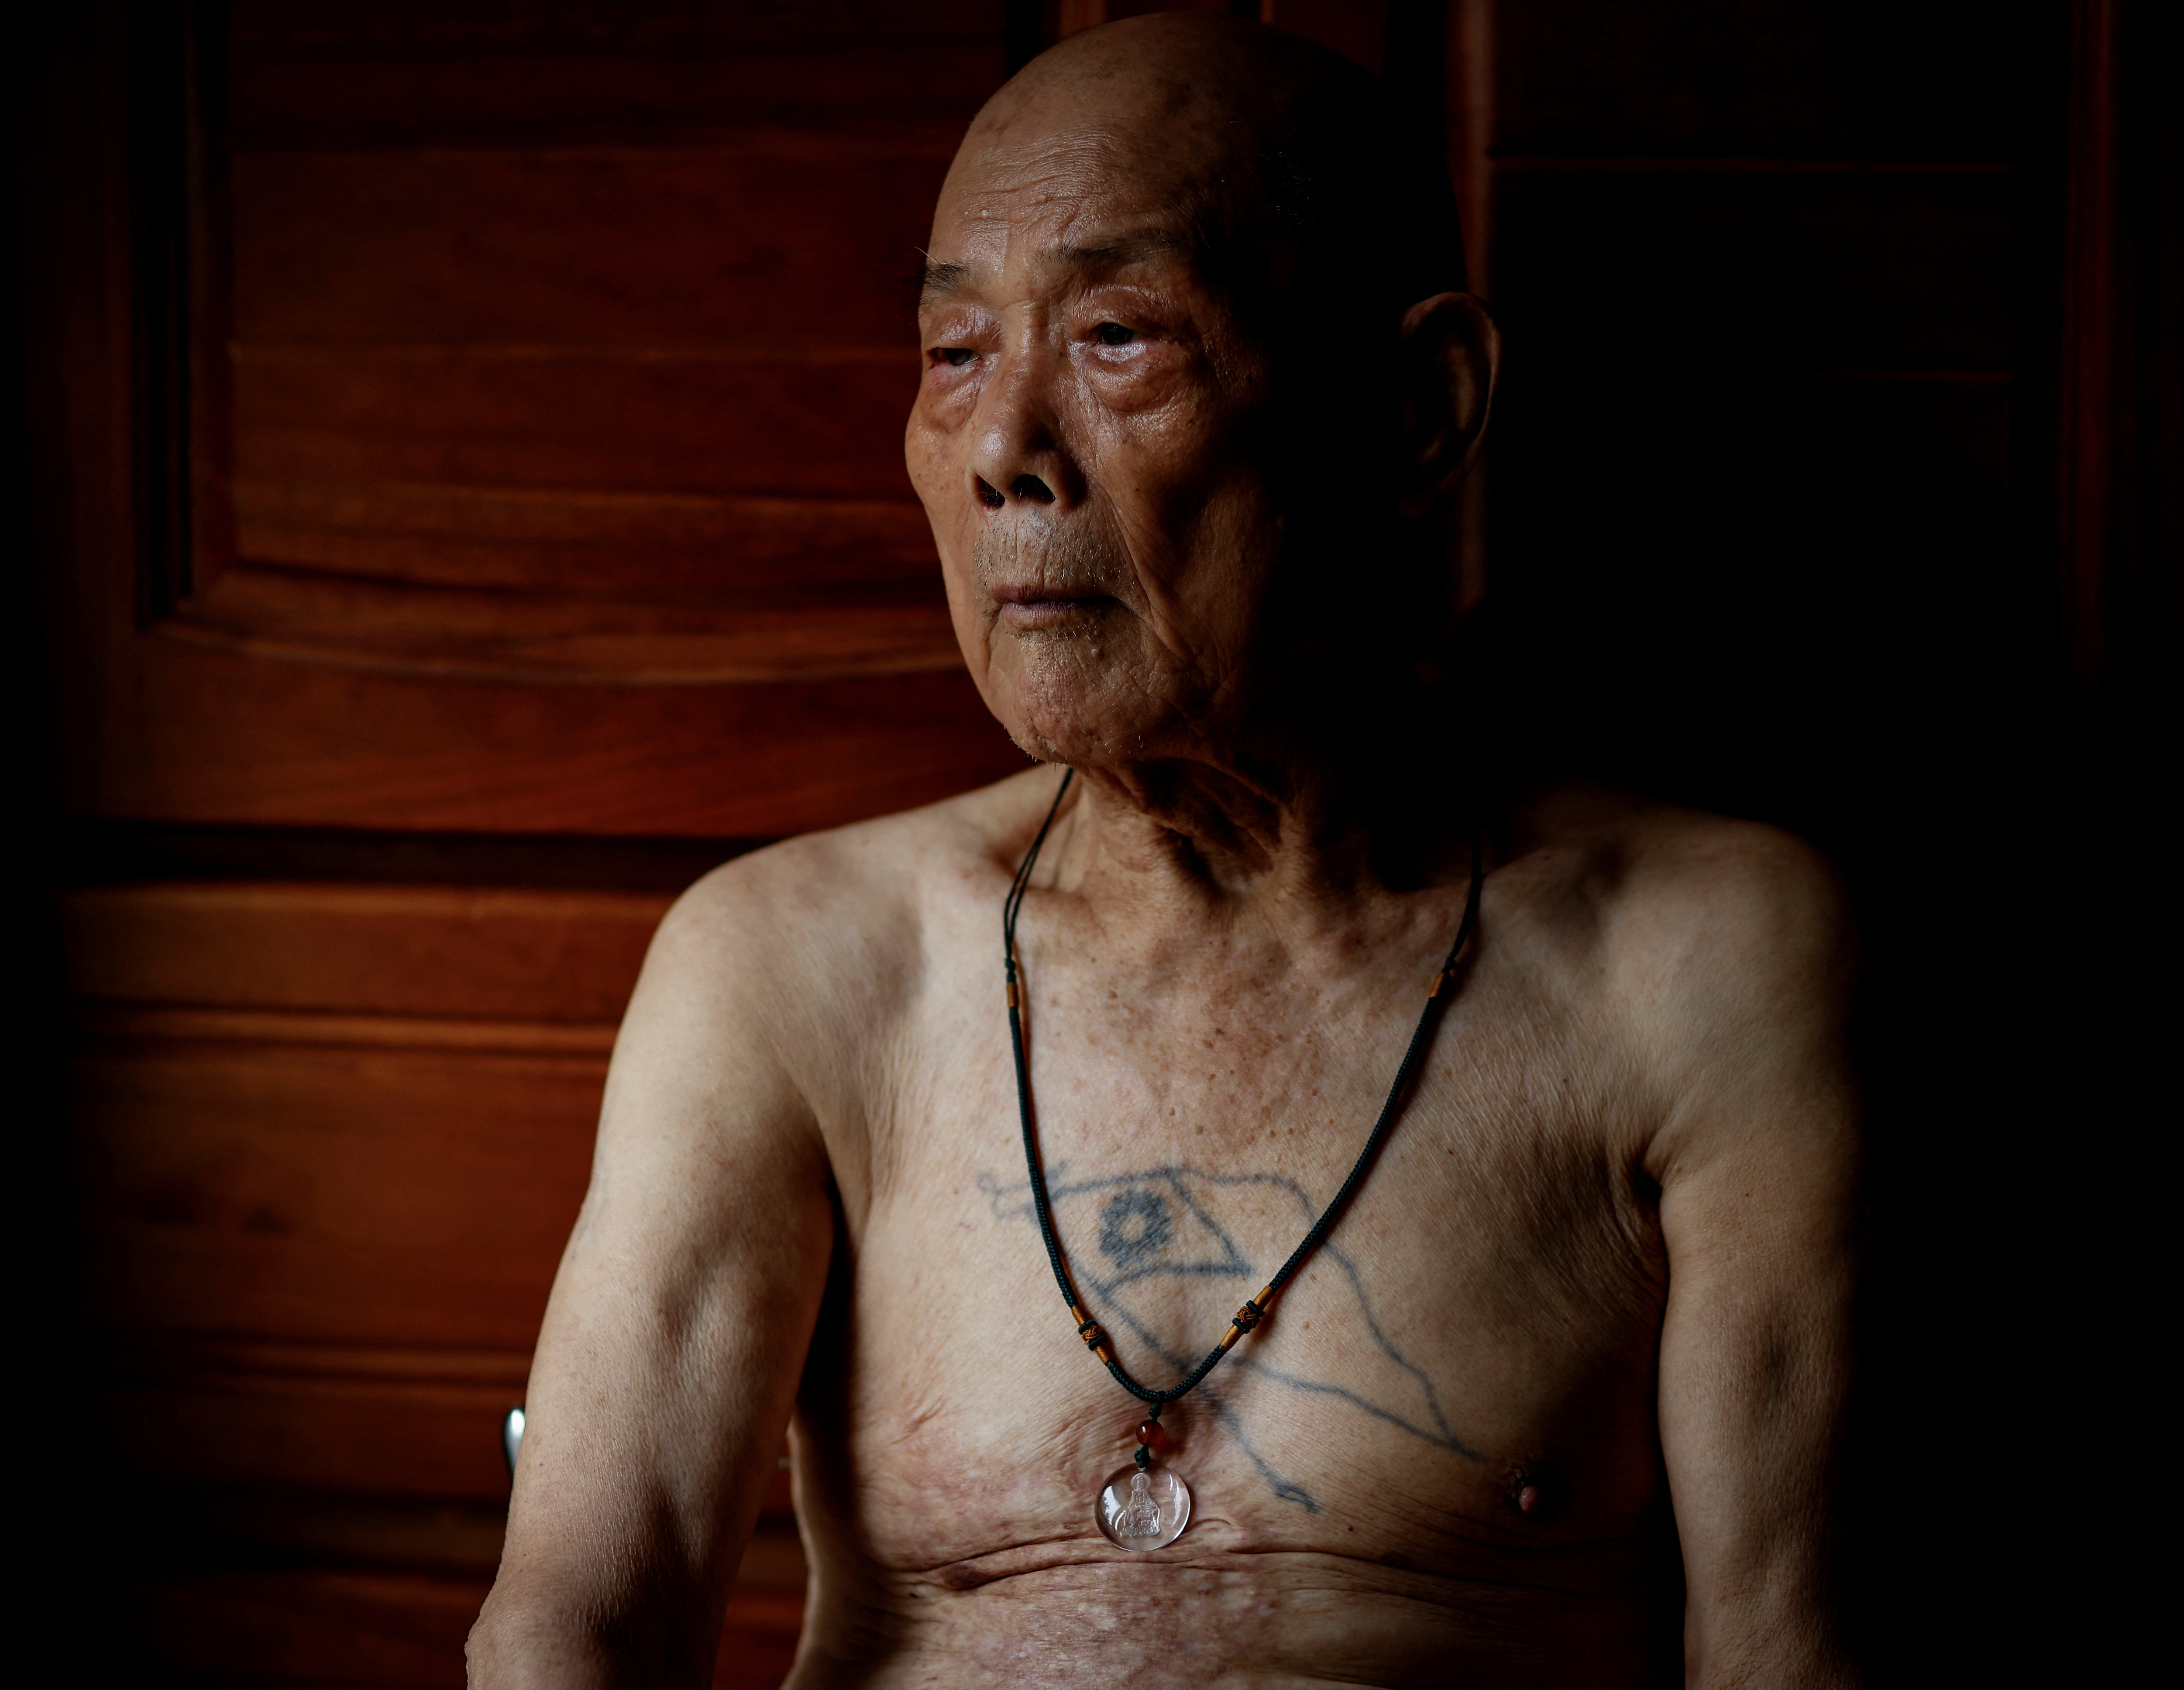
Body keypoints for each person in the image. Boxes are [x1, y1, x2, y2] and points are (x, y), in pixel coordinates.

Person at [469, 14, 1857, 1687]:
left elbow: (1793, 1652)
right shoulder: (792, 962)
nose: (1003, 449)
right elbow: (578, 1626)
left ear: (1419, 410)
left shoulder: (1703, 965)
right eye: (956, 352)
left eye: (1118, 337)